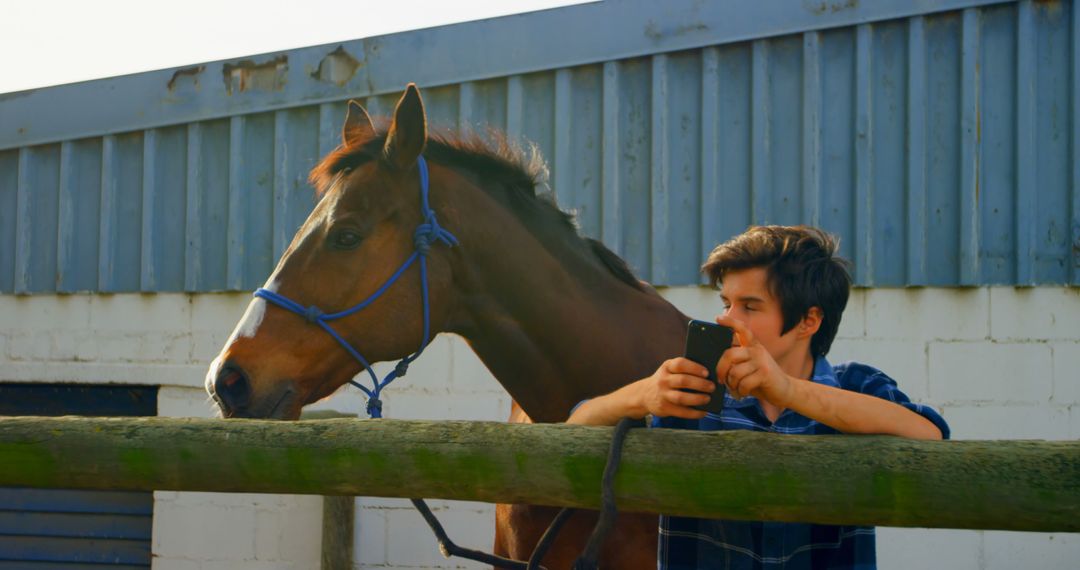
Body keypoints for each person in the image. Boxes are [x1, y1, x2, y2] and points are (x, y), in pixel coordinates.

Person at [568, 225, 950, 570]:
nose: (727, 319)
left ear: (808, 321)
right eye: (725, 303)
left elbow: (931, 435)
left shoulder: (857, 384)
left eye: (749, 306)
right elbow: (573, 428)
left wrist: (785, 389)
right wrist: (642, 394)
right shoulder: (696, 389)